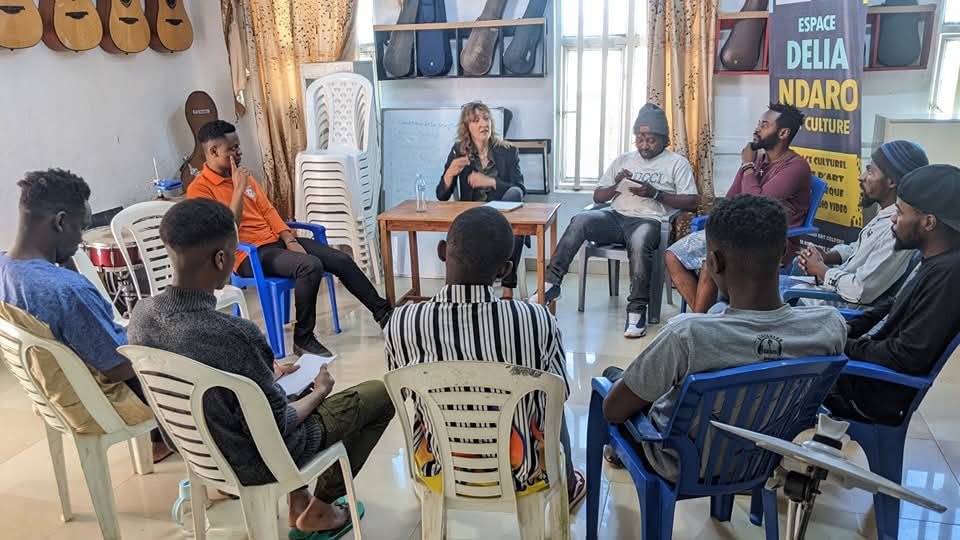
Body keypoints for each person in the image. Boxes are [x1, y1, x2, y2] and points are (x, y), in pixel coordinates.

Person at [127, 198, 395, 538]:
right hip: (255, 459)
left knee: (284, 387)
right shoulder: (235, 334)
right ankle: (321, 509)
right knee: (379, 394)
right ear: (222, 259)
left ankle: (298, 503)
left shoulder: (141, 316)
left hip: (196, 450)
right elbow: (281, 423)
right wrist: (320, 393)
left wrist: (266, 374)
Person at [602, 194, 846, 481]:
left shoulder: (688, 335)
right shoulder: (830, 326)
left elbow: (614, 411)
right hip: (765, 458)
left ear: (713, 263)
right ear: (784, 253)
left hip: (684, 464)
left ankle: (616, 449)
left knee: (612, 381)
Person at [383, 206, 587, 510]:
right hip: (522, 474)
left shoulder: (402, 322)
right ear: (506, 270)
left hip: (439, 470)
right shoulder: (537, 320)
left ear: (442, 251)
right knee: (552, 395)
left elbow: (406, 393)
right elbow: (559, 397)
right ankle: (567, 488)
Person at [0, 169, 171, 462]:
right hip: (103, 401)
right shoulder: (67, 290)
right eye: (80, 228)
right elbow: (117, 367)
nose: (80, 240)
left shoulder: (6, 268)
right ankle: (216, 459)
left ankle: (161, 440)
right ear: (61, 221)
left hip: (54, 394)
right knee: (199, 355)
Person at [187, 120, 392, 357]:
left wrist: (289, 238)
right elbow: (227, 229)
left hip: (275, 242)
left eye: (238, 146)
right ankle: (303, 338)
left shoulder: (243, 177)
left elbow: (268, 212)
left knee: (340, 259)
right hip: (246, 254)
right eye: (232, 149)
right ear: (213, 152)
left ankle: (384, 314)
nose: (239, 152)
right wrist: (238, 190)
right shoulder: (199, 189)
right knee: (309, 266)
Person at [530, 103, 699, 338]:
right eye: (640, 138)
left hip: (647, 221)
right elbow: (598, 196)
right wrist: (615, 185)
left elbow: (692, 201)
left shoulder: (676, 163)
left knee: (640, 243)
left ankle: (637, 311)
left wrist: (656, 194)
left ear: (663, 139)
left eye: (650, 139)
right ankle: (551, 284)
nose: (644, 144)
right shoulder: (623, 160)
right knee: (580, 220)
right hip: (615, 217)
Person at [825, 165, 960, 425]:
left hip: (867, 393)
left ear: (929, 222)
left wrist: (839, 344)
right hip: (861, 375)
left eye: (900, 211)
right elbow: (893, 305)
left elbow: (905, 355)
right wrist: (844, 328)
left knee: (773, 385)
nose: (893, 219)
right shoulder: (935, 259)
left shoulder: (950, 276)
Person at [667, 103, 812, 313]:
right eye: (758, 123)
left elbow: (758, 206)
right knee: (673, 255)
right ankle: (708, 318)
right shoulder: (758, 160)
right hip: (736, 234)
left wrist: (747, 166)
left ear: (783, 133)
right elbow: (731, 200)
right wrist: (750, 167)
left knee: (711, 263)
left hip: (768, 242)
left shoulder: (795, 167)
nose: (757, 129)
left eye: (764, 125)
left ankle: (699, 322)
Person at [793, 140, 928, 306]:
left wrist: (821, 269)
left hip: (834, 309)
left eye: (870, 172)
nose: (861, 177)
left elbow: (861, 290)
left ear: (891, 181)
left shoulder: (898, 231)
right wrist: (827, 256)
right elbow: (857, 249)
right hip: (826, 295)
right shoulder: (885, 216)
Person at [437, 101, 527, 298]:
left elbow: (520, 189)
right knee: (514, 227)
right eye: (476, 120)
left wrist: (491, 182)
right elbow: (441, 196)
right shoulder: (459, 151)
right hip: (472, 219)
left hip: (503, 219)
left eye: (486, 118)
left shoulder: (508, 151)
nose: (483, 124)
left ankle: (508, 290)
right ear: (467, 127)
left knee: (516, 222)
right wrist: (450, 173)